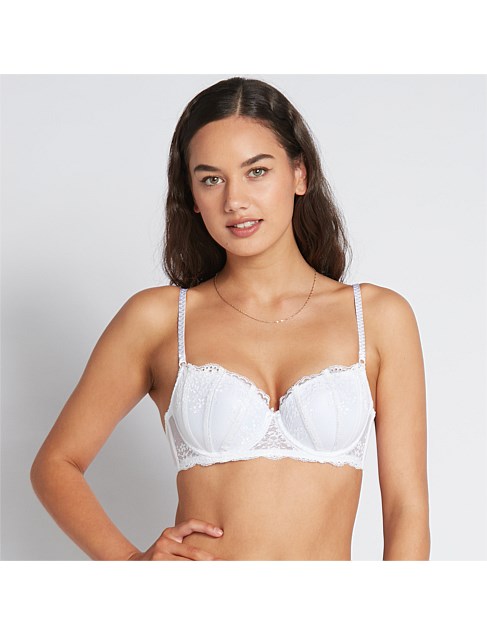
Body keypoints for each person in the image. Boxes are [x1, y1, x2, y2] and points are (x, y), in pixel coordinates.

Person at [30, 76, 430, 561]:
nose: (234, 200)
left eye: (256, 171)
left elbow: (406, 510)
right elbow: (56, 463)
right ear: (192, 197)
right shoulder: (159, 320)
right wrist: (132, 565)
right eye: (211, 179)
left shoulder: (378, 318)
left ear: (299, 174)